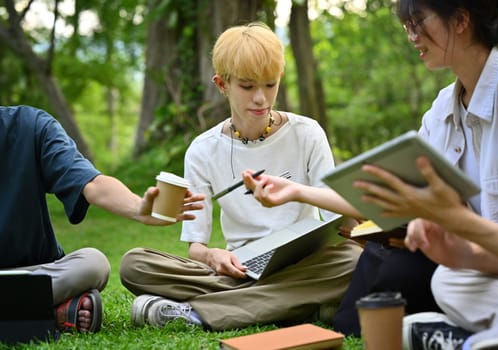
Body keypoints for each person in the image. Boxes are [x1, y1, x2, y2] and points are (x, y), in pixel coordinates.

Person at [244, 0, 498, 344]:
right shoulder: (441, 112)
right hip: (483, 269)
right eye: (407, 25)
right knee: (444, 279)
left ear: (461, 20)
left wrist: (452, 224)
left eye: (418, 22)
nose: (411, 36)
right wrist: (296, 191)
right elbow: (388, 196)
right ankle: (484, 333)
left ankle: (469, 336)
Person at [119, 22, 363, 331]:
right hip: (237, 269)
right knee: (135, 264)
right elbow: (196, 246)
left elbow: (341, 220)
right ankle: (298, 303)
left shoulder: (307, 133)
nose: (261, 98)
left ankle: (194, 314)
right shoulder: (202, 150)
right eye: (247, 87)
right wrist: (213, 256)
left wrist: (346, 220)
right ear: (222, 84)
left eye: (270, 85)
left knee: (352, 261)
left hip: (304, 263)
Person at [0, 105, 205, 334]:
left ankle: (21, 308)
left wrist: (139, 208)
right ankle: (51, 313)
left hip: (38, 274)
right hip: (41, 289)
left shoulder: (31, 124)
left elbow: (92, 183)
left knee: (93, 263)